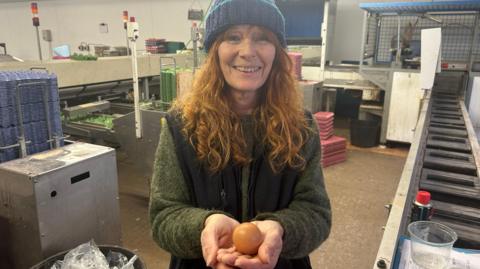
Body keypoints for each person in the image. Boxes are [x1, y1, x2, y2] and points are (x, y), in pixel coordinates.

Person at [149, 0, 331, 268]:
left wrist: (279, 230)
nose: (247, 52)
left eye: (262, 38)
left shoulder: (300, 127)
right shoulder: (181, 127)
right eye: (233, 37)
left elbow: (316, 212)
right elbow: (163, 216)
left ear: (277, 52)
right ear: (214, 51)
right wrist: (204, 225)